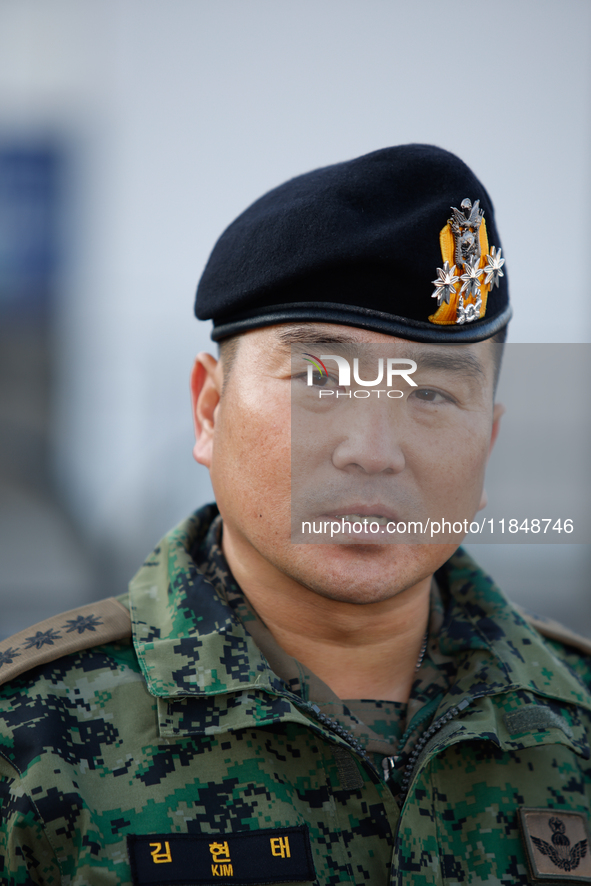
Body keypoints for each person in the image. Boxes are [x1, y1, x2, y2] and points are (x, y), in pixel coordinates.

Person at [1, 144, 590, 886]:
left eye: (432, 395)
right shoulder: (30, 740)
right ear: (209, 409)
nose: (371, 452)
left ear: (489, 445)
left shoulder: (572, 726)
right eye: (319, 378)